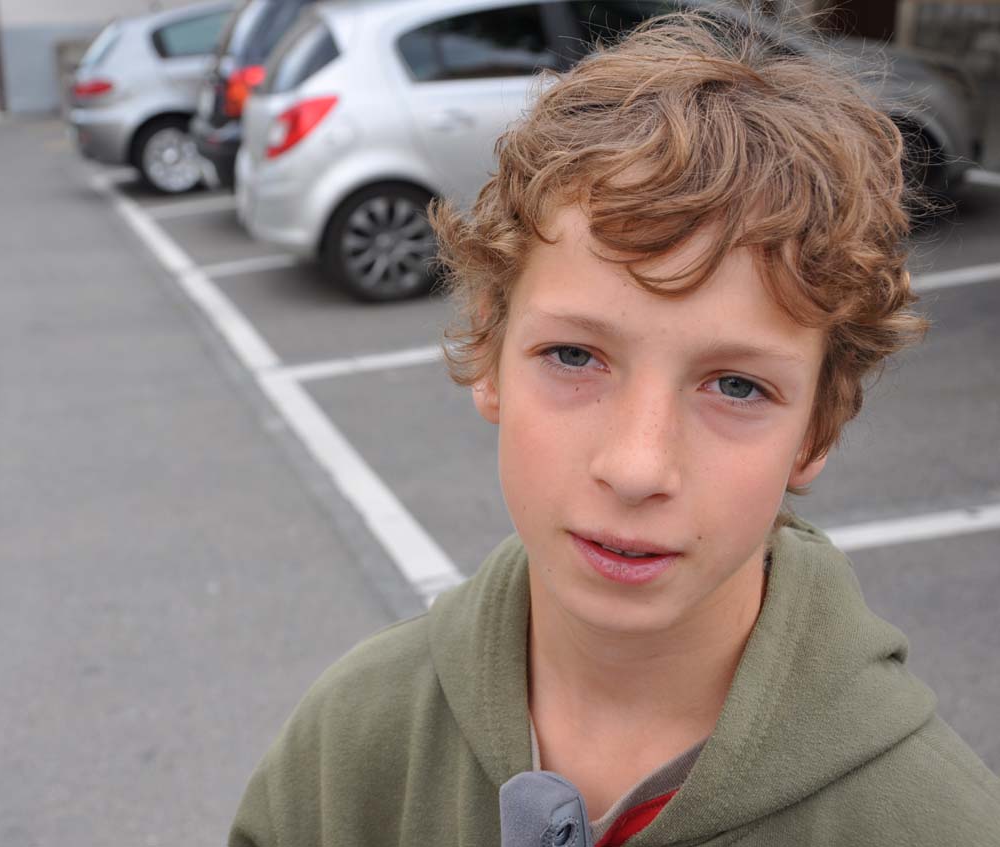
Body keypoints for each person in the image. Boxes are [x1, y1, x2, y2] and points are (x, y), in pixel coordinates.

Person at [228, 12, 1000, 846]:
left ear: (817, 428)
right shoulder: (347, 751)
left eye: (737, 385)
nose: (637, 466)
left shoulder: (934, 823)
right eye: (574, 355)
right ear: (490, 352)